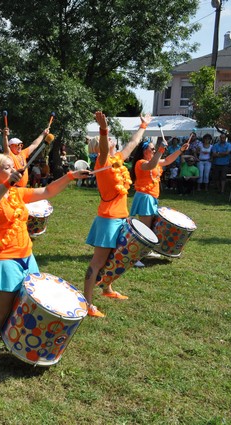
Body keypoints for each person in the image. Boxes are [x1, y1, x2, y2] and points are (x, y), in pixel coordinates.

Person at [0, 153, 89, 377]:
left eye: (13, 167)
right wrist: (7, 184)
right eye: (7, 167)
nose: (13, 169)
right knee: (2, 309)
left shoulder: (17, 193)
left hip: (27, 256)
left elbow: (48, 191)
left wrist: (70, 176)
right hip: (4, 258)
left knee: (22, 305)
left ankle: (16, 342)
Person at [83, 111, 152, 318]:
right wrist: (103, 130)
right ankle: (87, 303)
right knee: (97, 263)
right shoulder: (102, 162)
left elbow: (132, 143)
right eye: (107, 140)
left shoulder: (117, 160)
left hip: (122, 217)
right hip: (108, 219)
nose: (112, 140)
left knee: (115, 258)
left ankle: (107, 289)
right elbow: (104, 148)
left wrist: (143, 126)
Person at [129, 136, 190, 266]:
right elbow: (151, 165)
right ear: (144, 151)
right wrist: (161, 150)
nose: (154, 150)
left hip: (151, 197)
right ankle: (134, 257)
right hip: (145, 198)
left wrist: (180, 150)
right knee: (144, 228)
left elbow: (167, 160)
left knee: (150, 227)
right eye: (152, 149)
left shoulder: (154, 161)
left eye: (154, 149)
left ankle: (145, 251)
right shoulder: (141, 163)